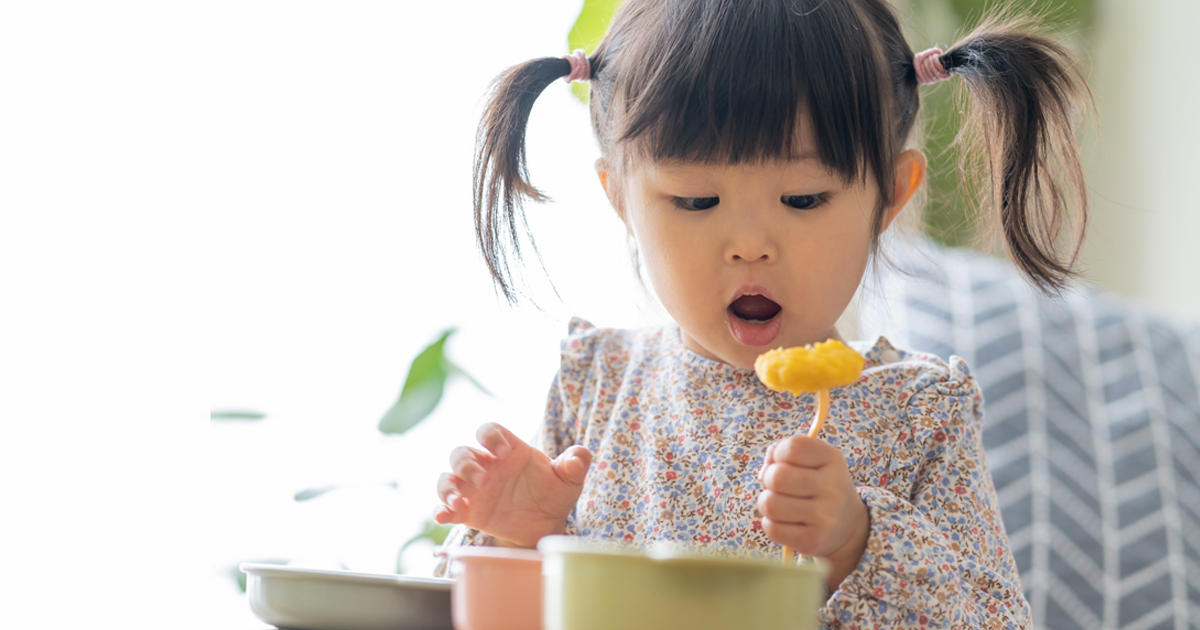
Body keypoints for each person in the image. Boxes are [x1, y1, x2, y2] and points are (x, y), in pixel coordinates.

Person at [433, 0, 1089, 627]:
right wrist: (515, 536)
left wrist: (857, 540)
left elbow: (994, 621)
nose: (749, 244)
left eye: (802, 199)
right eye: (696, 201)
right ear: (622, 199)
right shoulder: (594, 385)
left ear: (890, 194)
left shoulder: (920, 413)